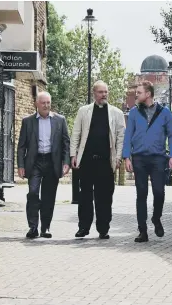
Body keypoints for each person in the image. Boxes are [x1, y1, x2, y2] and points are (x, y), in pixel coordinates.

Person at [123, 80, 172, 243]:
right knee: (141, 194)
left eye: (139, 93)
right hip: (139, 157)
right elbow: (128, 136)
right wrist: (127, 156)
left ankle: (156, 218)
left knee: (159, 192)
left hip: (158, 158)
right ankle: (142, 231)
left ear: (148, 94)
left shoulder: (164, 112)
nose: (136, 95)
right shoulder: (133, 113)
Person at [70, 80, 125, 239]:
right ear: (94, 94)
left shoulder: (116, 113)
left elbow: (121, 137)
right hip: (87, 161)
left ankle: (103, 228)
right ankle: (83, 227)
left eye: (106, 92)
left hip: (106, 162)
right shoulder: (84, 111)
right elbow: (76, 134)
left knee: (105, 196)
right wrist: (73, 155)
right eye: (101, 92)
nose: (104, 95)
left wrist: (118, 157)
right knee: (85, 196)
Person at [17, 91, 70, 239]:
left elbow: (66, 143)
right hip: (35, 162)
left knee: (48, 197)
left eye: (48, 103)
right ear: (36, 104)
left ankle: (45, 227)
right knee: (33, 193)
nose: (46, 105)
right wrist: (20, 165)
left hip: (52, 162)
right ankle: (33, 227)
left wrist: (66, 162)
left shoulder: (60, 120)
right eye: (43, 103)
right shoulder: (28, 121)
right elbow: (21, 146)